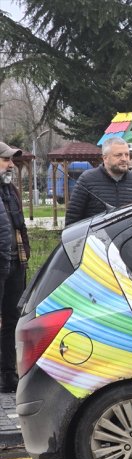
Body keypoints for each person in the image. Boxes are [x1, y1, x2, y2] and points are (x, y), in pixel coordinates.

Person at [65, 137, 132, 225]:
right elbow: (72, 217)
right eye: (118, 155)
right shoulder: (87, 180)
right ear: (105, 158)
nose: (124, 159)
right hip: (94, 237)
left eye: (127, 155)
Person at [0, 142, 28, 393]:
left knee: (12, 320)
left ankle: (8, 375)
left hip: (15, 262)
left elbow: (19, 228)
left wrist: (24, 257)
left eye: (12, 160)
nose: (11, 165)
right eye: (6, 159)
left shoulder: (11, 191)